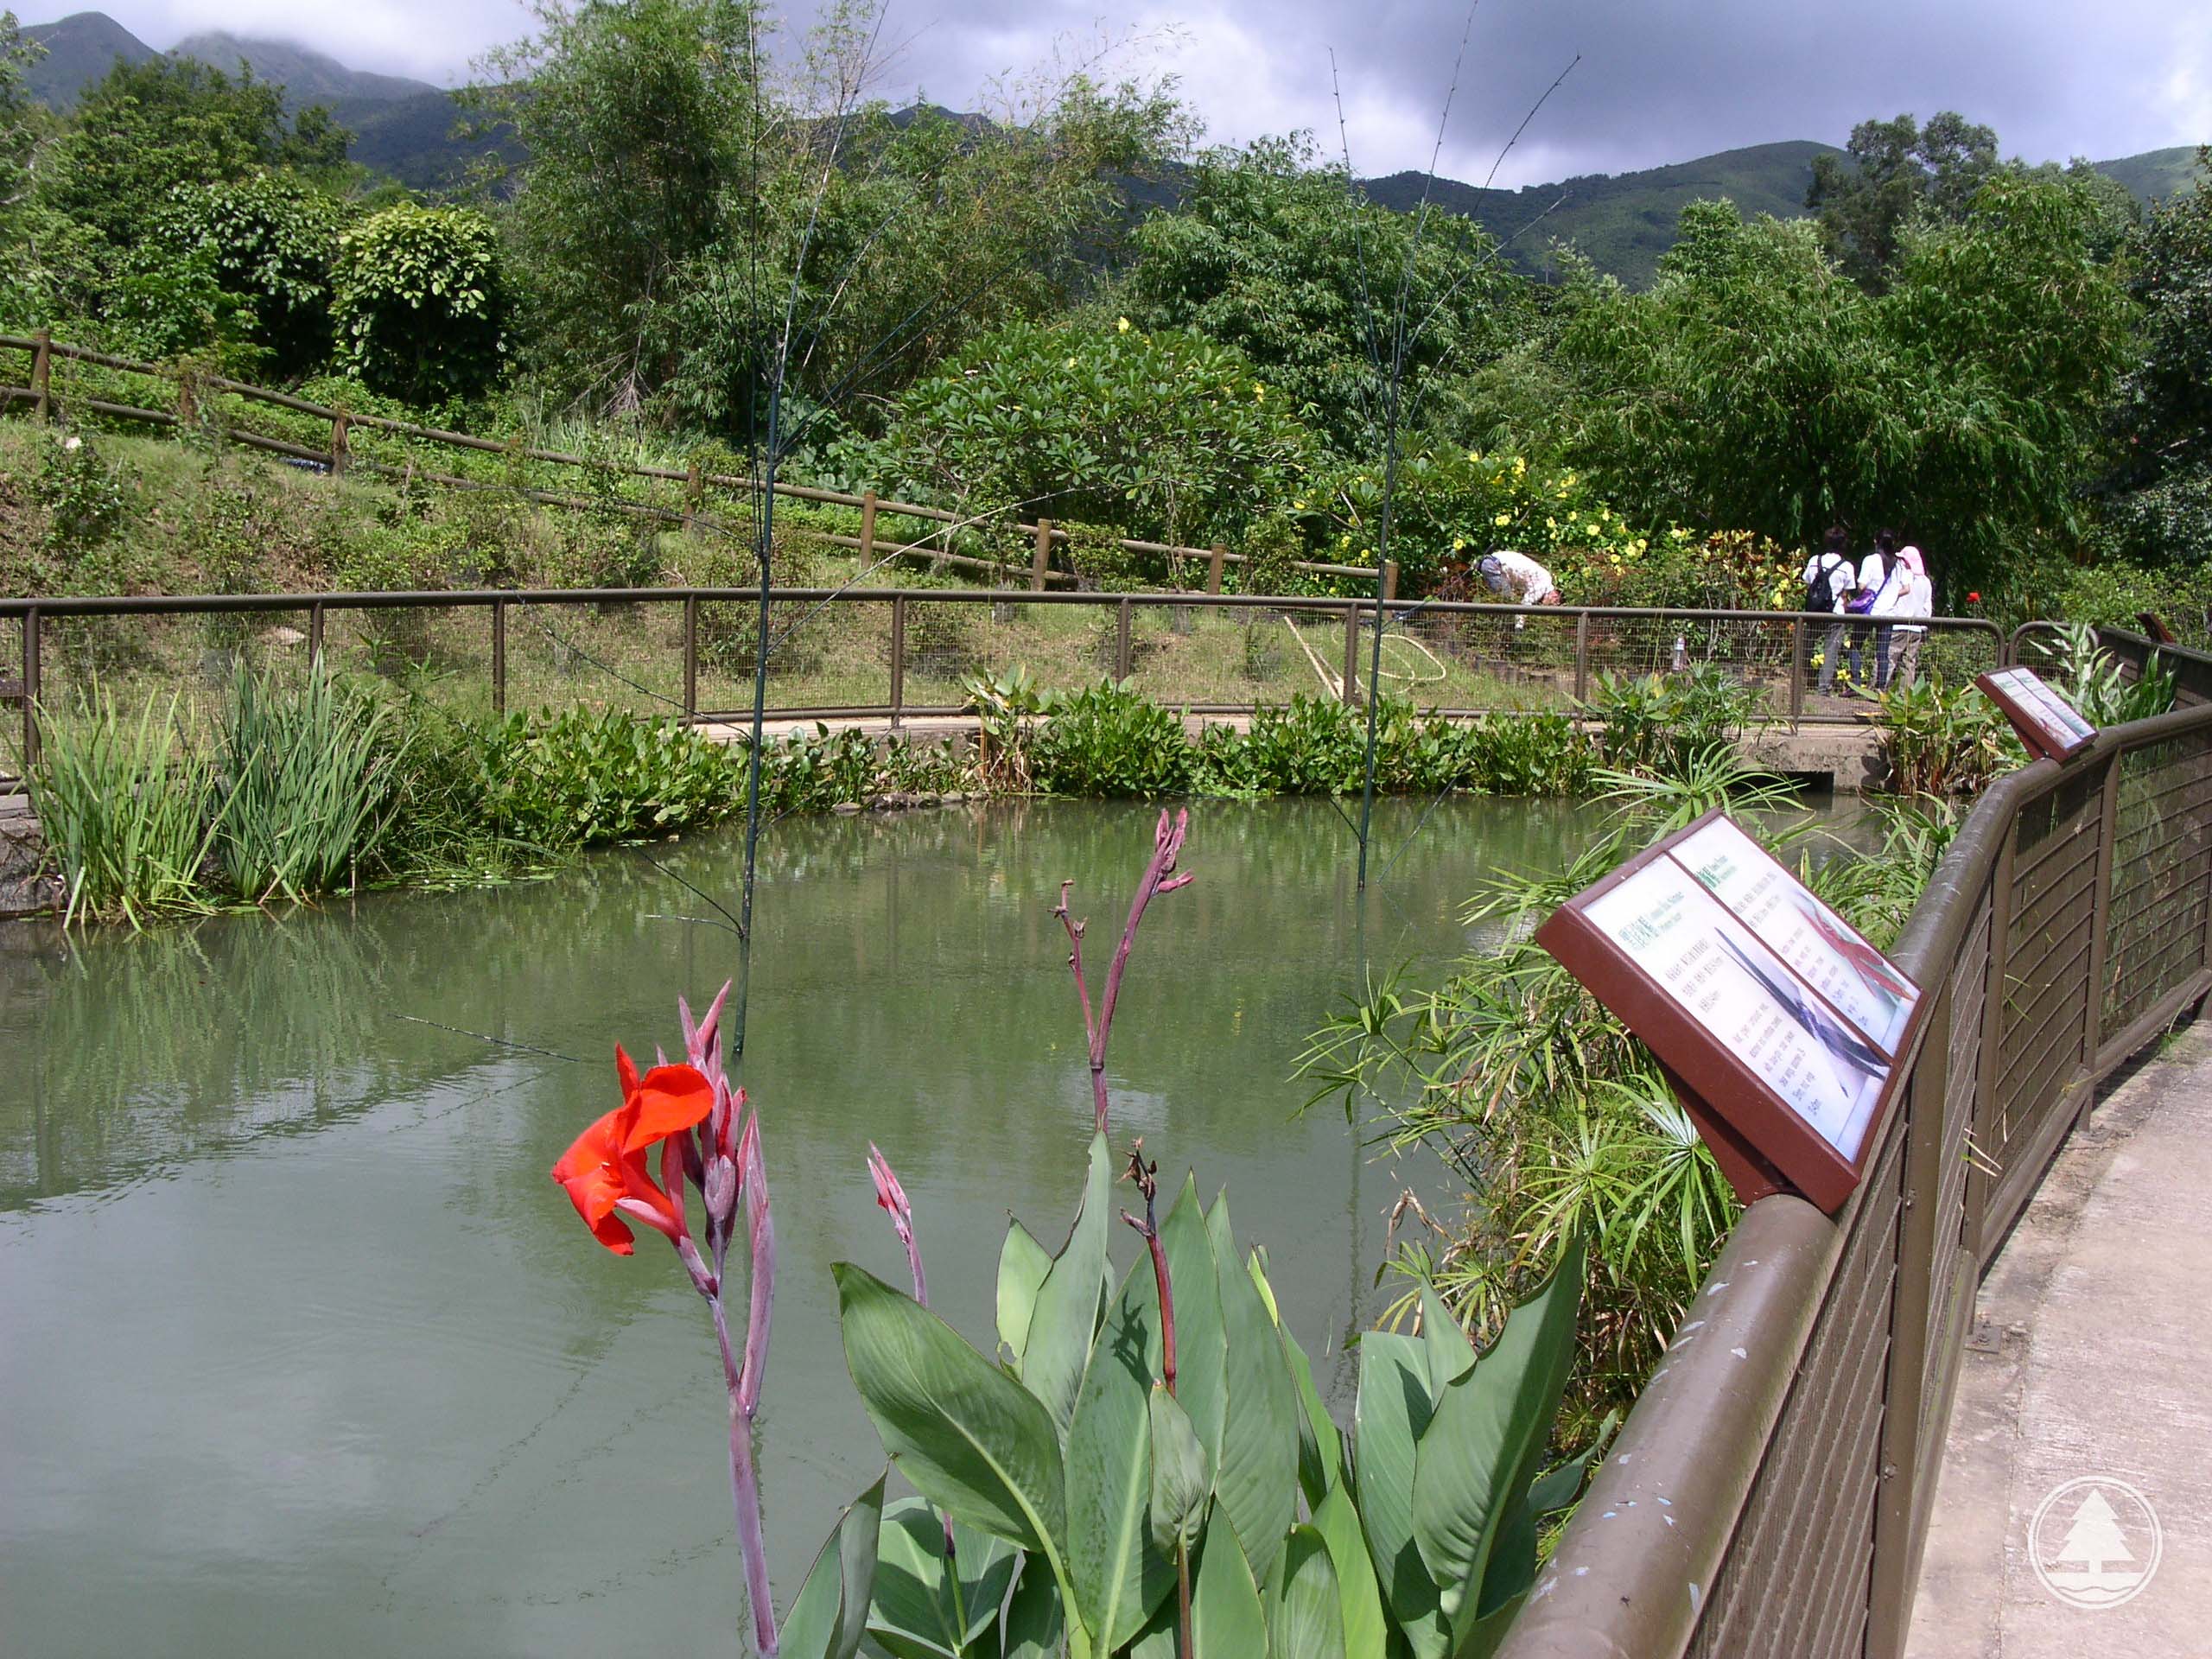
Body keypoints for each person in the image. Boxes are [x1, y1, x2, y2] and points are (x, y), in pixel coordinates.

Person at [1802, 527, 1857, 695]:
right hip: (1836, 612)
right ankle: (1823, 688)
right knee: (1831, 650)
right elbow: (1847, 592)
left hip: (1814, 612)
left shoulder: (1814, 561)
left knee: (1806, 646)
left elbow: (1808, 583)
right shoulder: (1846, 566)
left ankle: (1800, 682)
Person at [1872, 544, 1931, 689]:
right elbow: (1927, 606)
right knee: (1909, 663)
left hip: (1898, 624)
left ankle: (1877, 688)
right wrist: (1924, 627)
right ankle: (1906, 696)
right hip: (1916, 628)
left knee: (1888, 657)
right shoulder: (1925, 581)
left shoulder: (1902, 576)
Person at [1847, 530, 1899, 691]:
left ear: (1876, 542)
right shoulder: (1899, 563)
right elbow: (1904, 588)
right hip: (1889, 613)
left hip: (1870, 612)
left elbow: (1861, 586)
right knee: (1882, 653)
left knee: (1856, 645)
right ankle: (1880, 688)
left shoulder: (1870, 560)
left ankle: (1855, 684)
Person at [1478, 550, 1562, 631]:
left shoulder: (1544, 577)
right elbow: (1525, 604)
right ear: (1554, 596)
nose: (1547, 607)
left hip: (1493, 562)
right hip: (1494, 566)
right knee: (1506, 603)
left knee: (1505, 601)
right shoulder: (1543, 586)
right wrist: (1519, 626)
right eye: (1551, 604)